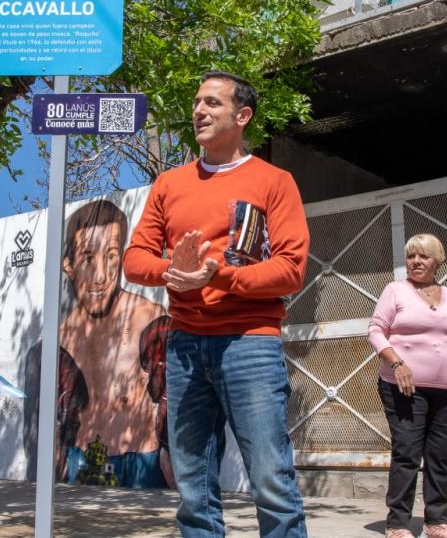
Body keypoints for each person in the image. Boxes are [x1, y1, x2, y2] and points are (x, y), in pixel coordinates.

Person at [122, 71, 310, 537]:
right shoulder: (169, 184)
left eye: (212, 103)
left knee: (270, 480)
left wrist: (218, 274)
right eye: (196, 103)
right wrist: (172, 270)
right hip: (185, 345)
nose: (198, 111)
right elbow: (133, 259)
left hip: (251, 344)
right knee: (192, 488)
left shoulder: (274, 181)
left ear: (242, 115)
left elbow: (290, 269)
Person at [23, 199, 172, 489]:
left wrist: (172, 459)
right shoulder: (57, 341)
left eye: (112, 256)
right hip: (83, 460)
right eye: (88, 258)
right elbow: (52, 420)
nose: (101, 276)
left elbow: (173, 398)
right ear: (69, 265)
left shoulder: (149, 319)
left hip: (144, 461)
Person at [368, 234, 447, 538]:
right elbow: (376, 330)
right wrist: (397, 363)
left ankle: (436, 521)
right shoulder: (395, 290)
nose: (415, 262)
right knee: (408, 453)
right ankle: (398, 523)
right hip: (404, 387)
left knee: (440, 454)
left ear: (437, 260)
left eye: (423, 257)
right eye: (411, 256)